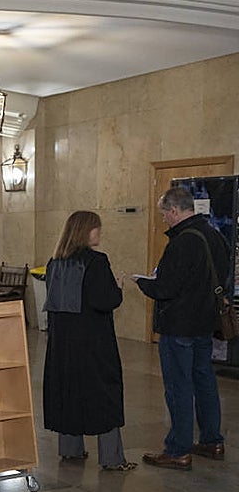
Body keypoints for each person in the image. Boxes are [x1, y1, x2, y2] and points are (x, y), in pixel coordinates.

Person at [132, 186, 228, 470]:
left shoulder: (182, 242)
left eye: (164, 213)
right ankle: (212, 440)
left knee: (178, 386)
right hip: (205, 323)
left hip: (179, 326)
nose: (163, 219)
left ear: (175, 211)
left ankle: (178, 449)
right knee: (205, 382)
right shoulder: (215, 235)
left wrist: (140, 282)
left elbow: (166, 287)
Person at [42, 211, 135, 471]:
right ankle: (112, 458)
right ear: (85, 231)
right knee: (103, 393)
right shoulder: (96, 261)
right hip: (94, 342)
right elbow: (105, 301)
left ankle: (71, 449)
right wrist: (118, 289)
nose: (100, 233)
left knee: (68, 390)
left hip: (62, 343)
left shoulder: (55, 262)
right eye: (97, 228)